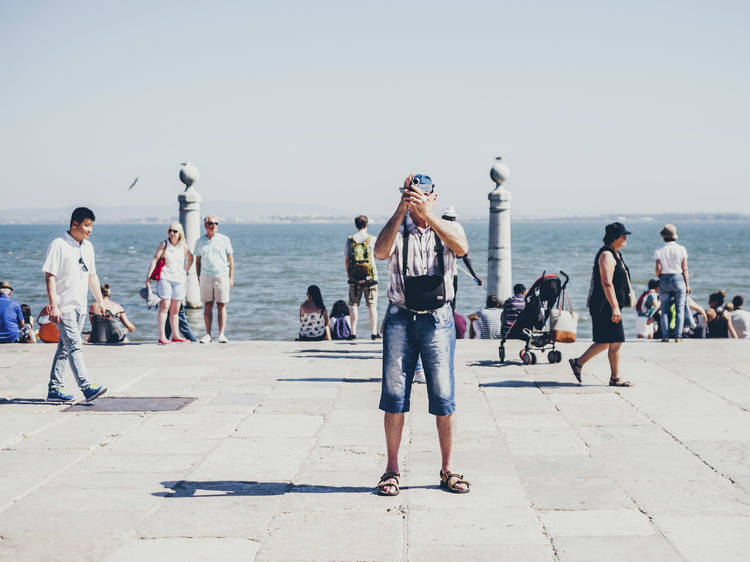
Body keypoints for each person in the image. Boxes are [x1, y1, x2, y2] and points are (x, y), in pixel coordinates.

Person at [373, 173, 471, 496]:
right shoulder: (397, 227)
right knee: (394, 396)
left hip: (438, 320)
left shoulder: (448, 228)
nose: (415, 200)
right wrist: (401, 211)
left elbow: (461, 247)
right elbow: (380, 252)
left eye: (419, 196)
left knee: (444, 396)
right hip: (400, 317)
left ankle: (448, 468)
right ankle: (391, 468)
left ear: (433, 196)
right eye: (409, 194)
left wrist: (429, 217)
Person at [42, 207, 107, 402]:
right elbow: (50, 276)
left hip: (80, 306)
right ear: (75, 224)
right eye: (87, 225)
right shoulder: (58, 245)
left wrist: (100, 300)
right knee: (75, 346)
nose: (90, 230)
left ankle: (54, 389)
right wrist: (54, 305)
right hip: (64, 306)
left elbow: (92, 276)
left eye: (91, 226)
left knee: (65, 347)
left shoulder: (88, 247)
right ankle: (86, 387)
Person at [569, 222, 633, 387]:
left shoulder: (616, 254)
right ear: (615, 237)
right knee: (610, 340)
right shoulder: (606, 255)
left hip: (609, 304)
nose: (626, 238)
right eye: (623, 235)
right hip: (603, 305)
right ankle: (582, 364)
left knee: (613, 341)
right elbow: (606, 283)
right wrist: (615, 307)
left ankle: (608, 375)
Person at [146, 223, 194, 345]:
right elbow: (155, 259)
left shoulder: (183, 246)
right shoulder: (164, 244)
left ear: (180, 233)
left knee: (176, 309)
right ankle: (162, 337)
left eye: (175, 231)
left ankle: (176, 335)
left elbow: (191, 258)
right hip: (165, 278)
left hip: (179, 280)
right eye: (170, 231)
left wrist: (185, 271)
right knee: (164, 306)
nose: (172, 233)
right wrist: (148, 277)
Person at [194, 215, 234, 344]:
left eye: (216, 223)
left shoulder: (224, 239)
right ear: (205, 225)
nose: (214, 225)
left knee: (221, 305)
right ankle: (208, 334)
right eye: (211, 223)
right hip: (206, 276)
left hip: (222, 275)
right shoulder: (200, 241)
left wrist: (231, 277)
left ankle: (222, 334)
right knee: (208, 306)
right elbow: (197, 262)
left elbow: (230, 260)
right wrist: (198, 278)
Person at [345, 215, 380, 340]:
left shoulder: (350, 240)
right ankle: (374, 333)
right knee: (372, 305)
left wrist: (350, 276)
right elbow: (377, 256)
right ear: (367, 225)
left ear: (356, 225)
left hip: (354, 278)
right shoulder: (372, 239)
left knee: (353, 305)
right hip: (370, 277)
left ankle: (353, 333)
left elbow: (347, 260)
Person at [441, 206, 482, 310]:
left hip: (432, 273)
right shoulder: (456, 227)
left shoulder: (436, 225)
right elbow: (464, 255)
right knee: (451, 303)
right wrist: (475, 276)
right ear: (454, 218)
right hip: (450, 273)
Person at [654, 224, 690, 342]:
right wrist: (687, 285)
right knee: (680, 308)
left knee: (664, 309)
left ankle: (665, 336)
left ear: (663, 236)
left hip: (664, 278)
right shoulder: (682, 249)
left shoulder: (659, 250)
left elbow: (658, 269)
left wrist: (661, 277)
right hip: (679, 278)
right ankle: (678, 336)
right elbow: (685, 269)